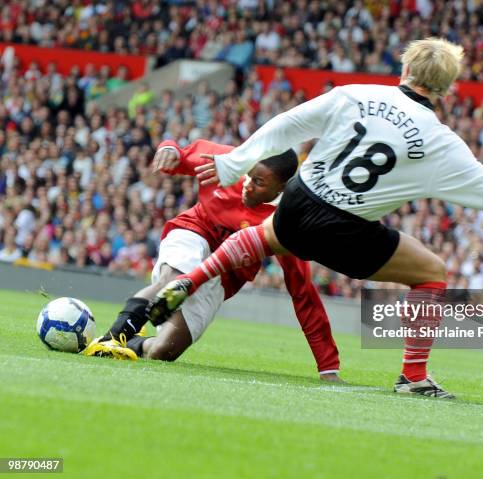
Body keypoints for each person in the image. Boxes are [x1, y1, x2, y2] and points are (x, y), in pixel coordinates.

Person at [150, 38, 483, 399]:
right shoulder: (439, 141)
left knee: (272, 234)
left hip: (295, 202)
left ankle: (192, 278)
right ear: (448, 89)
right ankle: (413, 375)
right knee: (432, 272)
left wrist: (235, 162)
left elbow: (286, 125)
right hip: (340, 228)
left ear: (406, 70)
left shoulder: (354, 94)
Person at [84, 139, 342, 382]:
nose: (248, 184)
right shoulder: (227, 161)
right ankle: (111, 339)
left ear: (282, 188)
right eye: (250, 174)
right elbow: (180, 154)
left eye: (260, 182)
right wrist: (169, 149)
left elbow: (303, 293)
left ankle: (133, 343)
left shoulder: (285, 224)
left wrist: (327, 366)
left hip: (223, 277)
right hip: (194, 232)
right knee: (171, 279)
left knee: (164, 351)